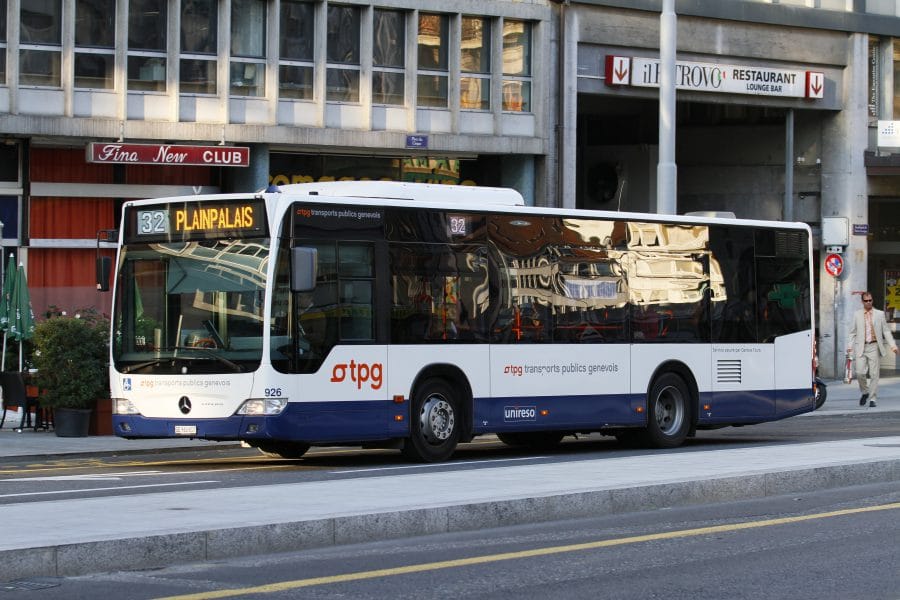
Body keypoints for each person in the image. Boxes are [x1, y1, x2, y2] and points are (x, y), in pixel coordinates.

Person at [846, 291, 899, 407]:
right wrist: (849, 347)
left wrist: (893, 345)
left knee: (874, 374)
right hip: (861, 347)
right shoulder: (857, 314)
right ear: (862, 302)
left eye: (870, 300)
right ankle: (865, 392)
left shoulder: (879, 314)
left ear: (872, 300)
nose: (869, 302)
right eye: (866, 301)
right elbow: (852, 333)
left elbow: (886, 330)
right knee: (860, 373)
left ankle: (873, 398)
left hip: (874, 347)